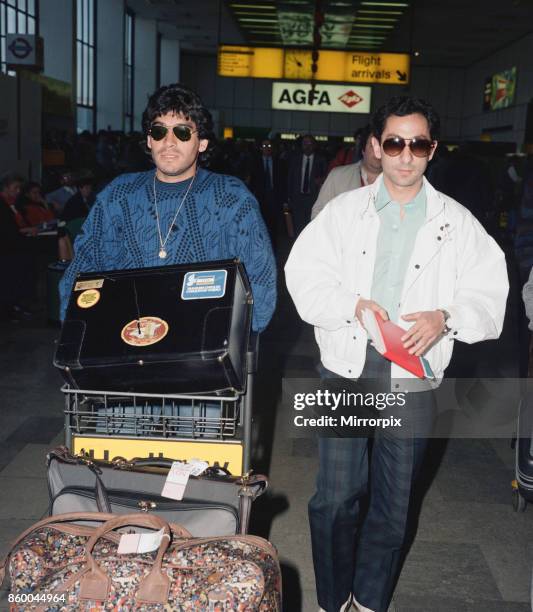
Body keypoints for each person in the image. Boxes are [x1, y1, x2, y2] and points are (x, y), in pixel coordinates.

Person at [285, 96, 509, 612]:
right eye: (394, 143)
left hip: (414, 374)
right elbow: (304, 274)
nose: (405, 155)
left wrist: (445, 317)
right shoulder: (345, 212)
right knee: (334, 499)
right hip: (347, 365)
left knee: (393, 505)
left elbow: (488, 291)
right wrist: (351, 304)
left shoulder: (457, 222)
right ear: (376, 147)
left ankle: (367, 601)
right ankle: (332, 599)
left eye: (417, 144)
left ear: (432, 149)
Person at [59, 83, 276, 333]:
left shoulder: (231, 198)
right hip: (127, 346)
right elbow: (81, 271)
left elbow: (260, 280)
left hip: (202, 349)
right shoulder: (118, 196)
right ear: (150, 140)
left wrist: (237, 347)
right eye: (160, 131)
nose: (169, 142)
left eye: (182, 132)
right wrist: (81, 330)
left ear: (202, 142)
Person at [311, 125, 382, 220]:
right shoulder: (337, 177)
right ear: (363, 150)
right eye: (373, 145)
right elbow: (318, 213)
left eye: (384, 146)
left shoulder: (399, 182)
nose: (378, 151)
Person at [250, 138, 288, 249]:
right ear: (261, 148)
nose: (267, 149)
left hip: (275, 198)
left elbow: (283, 182)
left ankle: (273, 248)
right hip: (260, 198)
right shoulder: (255, 163)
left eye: (269, 146)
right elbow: (252, 182)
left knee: (274, 226)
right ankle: (261, 247)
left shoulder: (279, 163)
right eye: (265, 146)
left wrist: (284, 199)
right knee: (260, 224)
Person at [287, 134, 327, 235]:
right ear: (301, 145)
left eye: (310, 143)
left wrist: (321, 180)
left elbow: (326, 178)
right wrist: (289, 198)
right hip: (297, 199)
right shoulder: (295, 160)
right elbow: (290, 179)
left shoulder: (321, 160)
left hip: (314, 199)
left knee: (312, 228)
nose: (307, 145)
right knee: (298, 229)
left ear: (314, 145)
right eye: (305, 143)